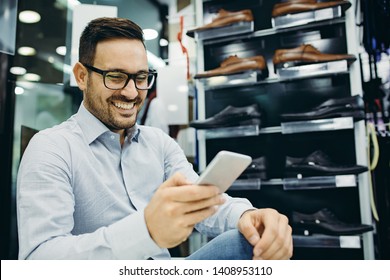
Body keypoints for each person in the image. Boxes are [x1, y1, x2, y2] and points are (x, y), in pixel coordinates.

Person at [16, 17, 293, 260]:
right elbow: (40, 258)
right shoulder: (51, 148)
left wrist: (248, 216)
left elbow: (203, 198)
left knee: (248, 239)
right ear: (81, 76)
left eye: (140, 77)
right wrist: (145, 231)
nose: (131, 92)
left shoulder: (157, 143)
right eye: (115, 77)